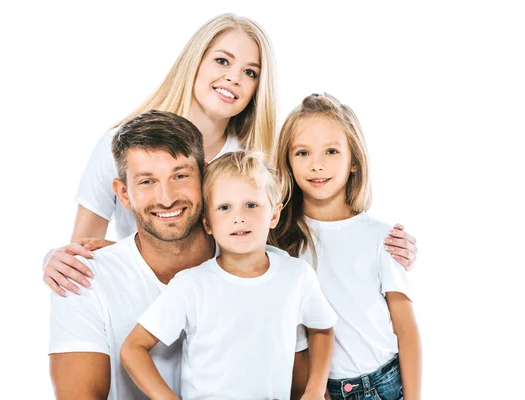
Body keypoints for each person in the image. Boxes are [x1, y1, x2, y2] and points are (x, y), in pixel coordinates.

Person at [42, 13, 418, 297]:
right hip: (143, 307)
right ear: (196, 61)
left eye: (250, 72)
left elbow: (310, 230)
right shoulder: (118, 146)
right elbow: (82, 254)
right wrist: (53, 259)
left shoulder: (255, 160)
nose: (234, 78)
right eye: (222, 61)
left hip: (228, 317)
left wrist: (384, 248)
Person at [49, 110, 311, 399]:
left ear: (205, 177)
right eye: (147, 181)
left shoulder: (263, 268)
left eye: (181, 175)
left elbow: (300, 384)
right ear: (123, 193)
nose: (167, 197)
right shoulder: (81, 278)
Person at [121, 151, 337, 399]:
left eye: (252, 205)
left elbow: (322, 328)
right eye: (224, 208)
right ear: (207, 224)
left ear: (274, 214)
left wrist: (315, 391)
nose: (239, 217)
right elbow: (132, 348)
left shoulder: (297, 276)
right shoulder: (191, 285)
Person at [270, 93, 421, 400]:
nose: (317, 165)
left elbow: (406, 330)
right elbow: (294, 334)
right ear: (287, 160)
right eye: (302, 153)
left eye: (331, 151)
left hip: (384, 384)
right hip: (321, 390)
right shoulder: (280, 243)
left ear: (353, 161)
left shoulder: (382, 238)